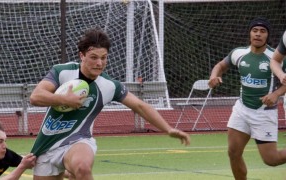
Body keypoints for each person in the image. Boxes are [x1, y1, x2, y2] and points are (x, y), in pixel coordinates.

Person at [29, 28, 191, 180]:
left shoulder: (109, 86)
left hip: (78, 141)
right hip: (46, 147)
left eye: (104, 57)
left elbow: (140, 106)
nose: (99, 63)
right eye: (94, 57)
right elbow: (35, 97)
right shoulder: (63, 71)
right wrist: (64, 99)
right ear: (82, 56)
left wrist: (168, 129)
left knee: (82, 167)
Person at [208, 17, 286, 180]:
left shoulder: (275, 57)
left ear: (267, 36)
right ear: (250, 33)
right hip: (241, 109)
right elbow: (220, 66)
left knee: (272, 160)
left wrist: (276, 94)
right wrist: (214, 76)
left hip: (264, 113)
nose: (258, 34)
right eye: (255, 30)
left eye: (262, 31)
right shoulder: (238, 53)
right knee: (233, 153)